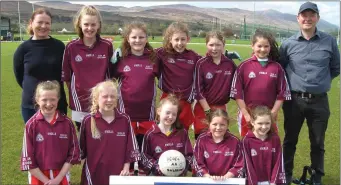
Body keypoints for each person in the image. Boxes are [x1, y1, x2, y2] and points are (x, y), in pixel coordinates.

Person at [279, 2, 340, 185]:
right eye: (303, 15)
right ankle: (286, 175)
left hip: (320, 102)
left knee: (318, 143)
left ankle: (317, 177)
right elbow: (280, 70)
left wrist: (318, 83)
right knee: (290, 141)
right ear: (298, 18)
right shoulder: (288, 44)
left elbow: (335, 68)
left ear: (317, 18)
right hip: (294, 101)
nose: (307, 18)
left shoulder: (329, 41)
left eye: (311, 15)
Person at [113, 21, 159, 175]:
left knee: (145, 148)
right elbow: (109, 77)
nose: (137, 40)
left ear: (147, 39)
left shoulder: (153, 58)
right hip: (126, 113)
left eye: (141, 37)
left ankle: (145, 174)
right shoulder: (121, 58)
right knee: (127, 149)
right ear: (127, 38)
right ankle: (129, 174)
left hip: (147, 114)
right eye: (134, 37)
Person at [230, 29, 291, 137]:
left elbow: (282, 94)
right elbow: (237, 94)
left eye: (266, 46)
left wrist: (273, 113)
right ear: (252, 46)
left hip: (268, 117)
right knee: (247, 147)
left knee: (269, 147)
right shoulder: (244, 66)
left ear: (270, 47)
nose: (262, 49)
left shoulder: (277, 68)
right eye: (259, 46)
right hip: (248, 116)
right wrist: (246, 114)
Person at [62, 5, 114, 131]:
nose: (89, 28)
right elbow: (67, 77)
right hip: (79, 101)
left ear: (98, 25)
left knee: (103, 134)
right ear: (79, 23)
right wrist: (76, 92)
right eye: (86, 24)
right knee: (83, 137)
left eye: (93, 24)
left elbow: (111, 75)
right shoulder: (71, 47)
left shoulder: (106, 46)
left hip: (102, 99)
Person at [79, 80, 140, 185]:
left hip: (118, 174)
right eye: (105, 96)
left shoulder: (124, 119)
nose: (109, 100)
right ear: (96, 99)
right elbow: (81, 149)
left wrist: (126, 168)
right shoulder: (88, 120)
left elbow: (131, 147)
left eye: (112, 96)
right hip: (94, 174)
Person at [13, 8, 68, 124]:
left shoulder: (59, 47)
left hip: (56, 104)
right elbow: (19, 77)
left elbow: (66, 73)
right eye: (39, 22)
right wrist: (33, 91)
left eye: (47, 23)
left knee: (58, 141)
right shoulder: (23, 49)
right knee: (33, 141)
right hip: (30, 106)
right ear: (31, 23)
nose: (43, 26)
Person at [21, 80, 80, 185]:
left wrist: (58, 179)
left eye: (53, 99)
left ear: (58, 99)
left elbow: (73, 154)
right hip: (38, 176)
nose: (49, 104)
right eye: (44, 100)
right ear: (37, 100)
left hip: (61, 175)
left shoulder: (67, 123)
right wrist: (46, 181)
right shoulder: (31, 125)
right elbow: (28, 160)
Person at [156, 22, 202, 131]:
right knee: (165, 131)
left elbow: (208, 63)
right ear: (169, 39)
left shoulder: (194, 56)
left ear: (188, 39)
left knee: (182, 133)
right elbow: (142, 53)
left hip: (185, 103)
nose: (180, 43)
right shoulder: (162, 54)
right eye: (176, 40)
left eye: (183, 39)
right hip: (167, 100)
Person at [194, 30, 236, 139]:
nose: (214, 48)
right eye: (211, 45)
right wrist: (208, 111)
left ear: (223, 45)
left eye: (218, 45)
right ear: (206, 45)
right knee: (202, 139)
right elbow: (198, 90)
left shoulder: (230, 64)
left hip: (221, 108)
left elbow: (237, 86)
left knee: (219, 139)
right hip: (203, 108)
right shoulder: (201, 63)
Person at [140, 94, 193, 176]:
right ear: (159, 111)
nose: (170, 117)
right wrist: (155, 166)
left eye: (174, 114)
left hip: (178, 176)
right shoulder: (150, 134)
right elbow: (144, 156)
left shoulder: (182, 133)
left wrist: (185, 165)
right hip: (157, 176)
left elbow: (189, 155)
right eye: (167, 113)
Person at [193, 109, 244, 180]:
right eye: (214, 124)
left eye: (222, 125)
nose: (218, 128)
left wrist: (227, 176)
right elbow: (197, 162)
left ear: (227, 125)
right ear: (209, 124)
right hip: (206, 180)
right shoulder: (201, 140)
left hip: (228, 180)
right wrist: (208, 176)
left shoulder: (235, 141)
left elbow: (239, 164)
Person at [242, 105, 286, 185]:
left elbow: (278, 162)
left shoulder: (275, 139)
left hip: (272, 182)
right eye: (260, 123)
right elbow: (247, 166)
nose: (264, 127)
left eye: (267, 123)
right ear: (252, 122)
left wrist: (273, 182)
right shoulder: (247, 141)